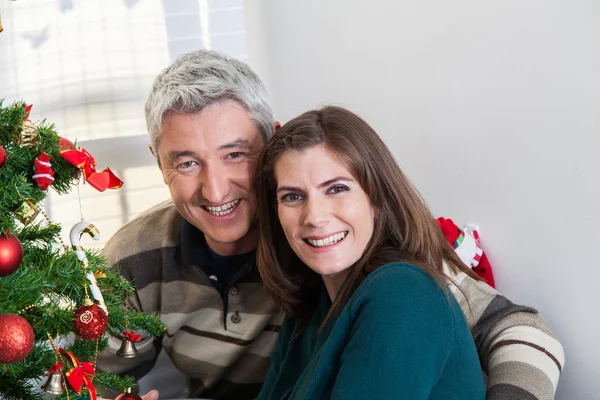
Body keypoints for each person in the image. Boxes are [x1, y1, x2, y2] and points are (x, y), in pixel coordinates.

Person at [97, 50, 564, 400]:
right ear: (158, 164)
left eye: (235, 154)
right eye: (186, 163)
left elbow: (521, 330)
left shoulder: (367, 259)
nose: (216, 190)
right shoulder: (135, 257)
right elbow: (87, 379)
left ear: (272, 141)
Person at [254, 105, 486, 399]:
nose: (314, 216)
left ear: (376, 198)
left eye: (336, 189)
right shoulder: (310, 306)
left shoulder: (403, 291)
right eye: (293, 196)